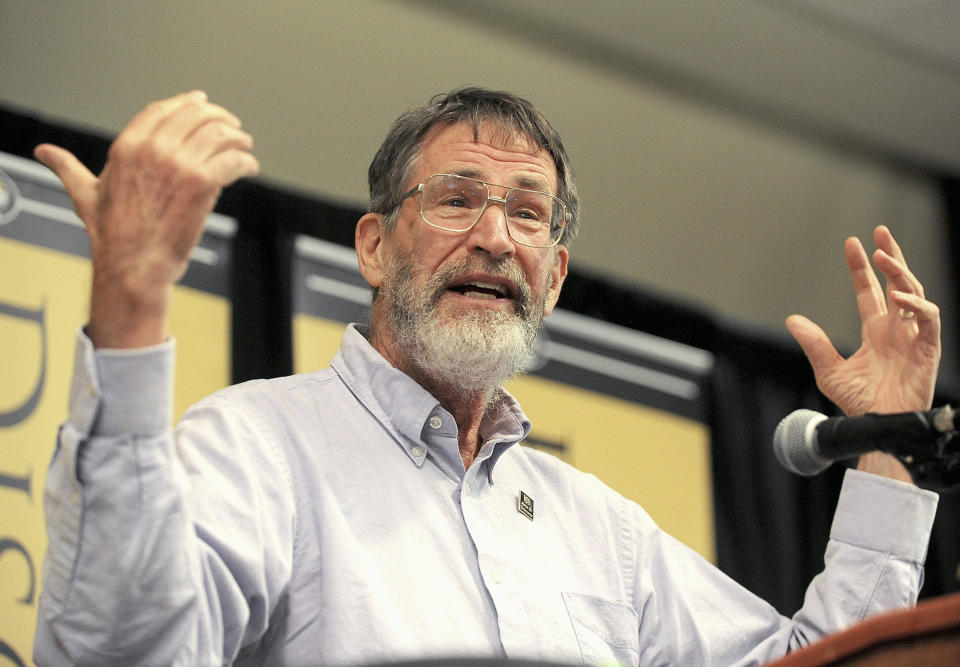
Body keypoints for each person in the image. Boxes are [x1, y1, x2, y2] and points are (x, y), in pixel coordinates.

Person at [32, 88, 940, 666]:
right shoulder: (256, 445)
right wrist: (132, 307)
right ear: (376, 247)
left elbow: (815, 665)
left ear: (553, 277)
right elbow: (119, 652)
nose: (497, 236)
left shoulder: (604, 532)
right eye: (458, 199)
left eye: (528, 214)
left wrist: (894, 441)